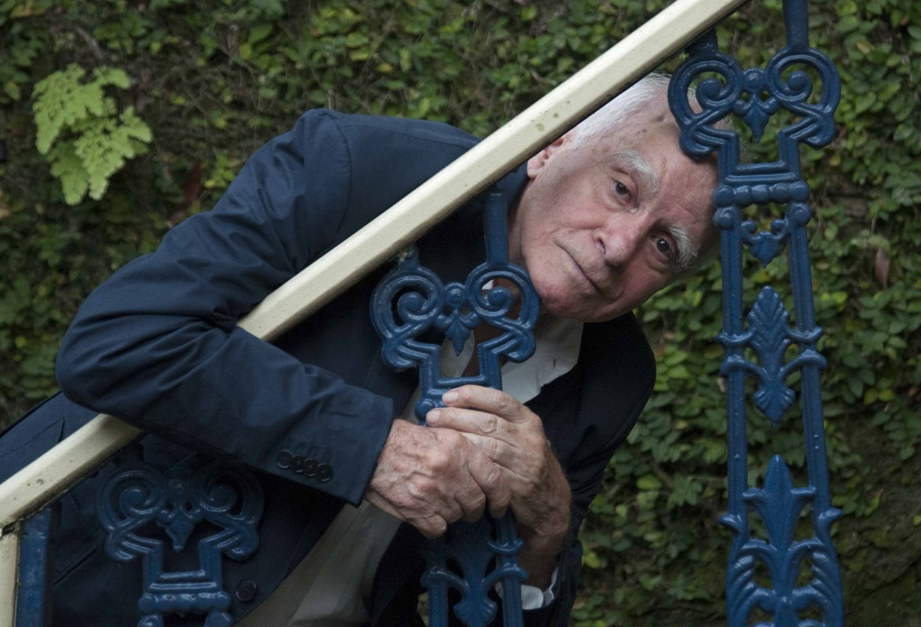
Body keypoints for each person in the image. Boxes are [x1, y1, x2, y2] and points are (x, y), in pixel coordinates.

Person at [0, 73, 717, 626]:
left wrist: (549, 525)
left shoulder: (613, 378)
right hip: (70, 583)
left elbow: (497, 610)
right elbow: (119, 341)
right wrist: (372, 448)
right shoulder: (369, 175)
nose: (619, 245)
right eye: (621, 188)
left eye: (664, 246)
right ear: (555, 145)